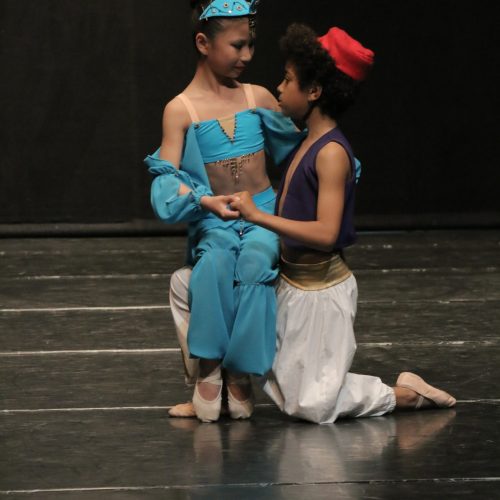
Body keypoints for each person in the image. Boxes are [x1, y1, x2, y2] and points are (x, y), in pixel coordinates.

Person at [168, 23, 456, 423]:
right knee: (188, 283)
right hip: (292, 285)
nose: (279, 87)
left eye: (288, 79)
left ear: (315, 91)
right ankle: (211, 375)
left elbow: (326, 234)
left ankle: (404, 394)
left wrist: (259, 217)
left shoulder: (330, 152)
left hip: (320, 294)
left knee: (310, 405)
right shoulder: (305, 141)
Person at [144, 0, 304, 423]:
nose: (246, 55)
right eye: (236, 46)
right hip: (216, 218)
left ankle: (239, 369)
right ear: (203, 43)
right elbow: (166, 177)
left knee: (254, 262)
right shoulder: (181, 109)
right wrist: (203, 201)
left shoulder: (257, 97)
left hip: (261, 214)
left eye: (250, 45)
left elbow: (299, 152)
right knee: (213, 263)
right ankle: (210, 366)